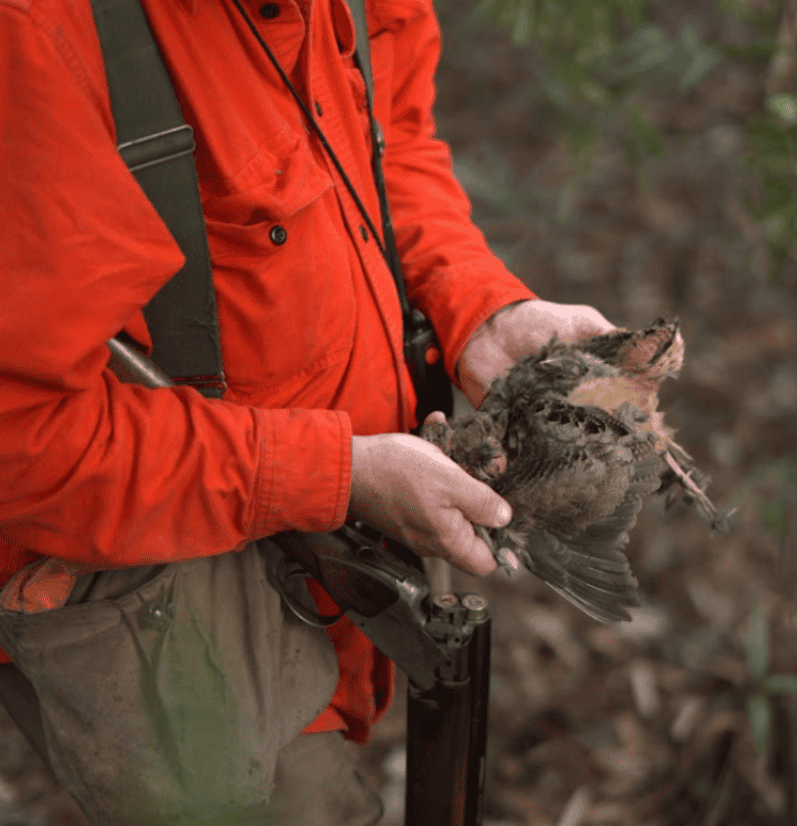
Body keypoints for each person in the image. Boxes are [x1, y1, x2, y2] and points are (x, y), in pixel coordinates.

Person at [0, 0, 616, 822]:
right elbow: (24, 442)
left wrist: (474, 306)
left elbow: (384, 144)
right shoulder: (38, 37)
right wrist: (333, 474)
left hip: (325, 556)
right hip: (146, 567)